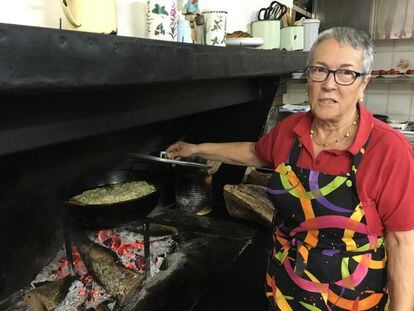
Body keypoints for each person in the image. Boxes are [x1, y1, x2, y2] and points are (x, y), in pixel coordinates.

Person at [166, 27, 414, 310]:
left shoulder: (388, 149)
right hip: (284, 290)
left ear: (364, 84)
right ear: (309, 76)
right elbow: (253, 152)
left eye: (346, 73)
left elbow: (402, 243)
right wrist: (196, 148)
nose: (329, 84)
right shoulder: (290, 132)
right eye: (319, 70)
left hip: (350, 300)